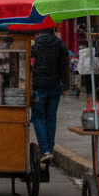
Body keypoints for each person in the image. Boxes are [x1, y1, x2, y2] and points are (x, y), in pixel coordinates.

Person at [30, 29, 70, 161]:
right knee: (51, 117)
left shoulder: (35, 46)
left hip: (39, 86)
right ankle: (49, 150)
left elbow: (30, 66)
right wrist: (66, 83)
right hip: (55, 85)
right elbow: (65, 65)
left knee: (38, 116)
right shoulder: (61, 45)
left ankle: (45, 150)